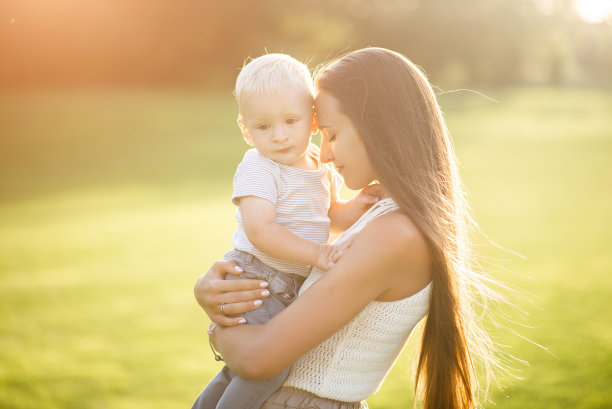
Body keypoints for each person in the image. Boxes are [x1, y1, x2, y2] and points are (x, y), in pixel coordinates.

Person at [194, 47, 499, 409]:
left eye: (331, 135)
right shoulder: (384, 218)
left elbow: (256, 359)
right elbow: (311, 225)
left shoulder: (395, 236)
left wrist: (218, 317)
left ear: (379, 128)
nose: (322, 155)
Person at [191, 53, 380, 409]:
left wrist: (360, 204)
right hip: (257, 277)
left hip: (288, 284)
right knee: (268, 368)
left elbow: (330, 216)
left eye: (290, 121)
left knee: (241, 371)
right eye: (263, 127)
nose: (279, 136)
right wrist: (319, 254)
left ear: (311, 122)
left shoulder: (319, 167)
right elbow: (260, 230)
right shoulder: (259, 167)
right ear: (246, 130)